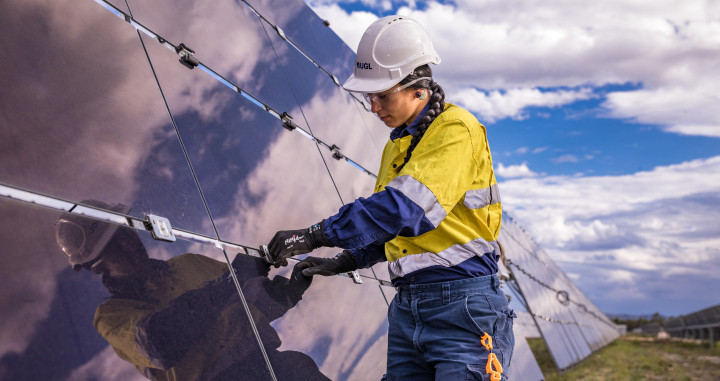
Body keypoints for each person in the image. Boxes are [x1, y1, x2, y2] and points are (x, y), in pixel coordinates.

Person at [266, 15, 515, 380]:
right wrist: (346, 260)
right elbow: (394, 233)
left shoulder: (456, 129)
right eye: (370, 96)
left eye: (383, 95)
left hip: (463, 308)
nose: (374, 107)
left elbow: (404, 210)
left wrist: (314, 235)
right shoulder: (397, 145)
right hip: (408, 309)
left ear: (418, 88)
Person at [56, 201, 329, 381]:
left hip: (279, 368)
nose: (129, 246)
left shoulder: (189, 264)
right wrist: (232, 280)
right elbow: (159, 341)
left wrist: (289, 291)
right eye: (115, 247)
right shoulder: (112, 316)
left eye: (126, 235)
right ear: (98, 266)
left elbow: (254, 304)